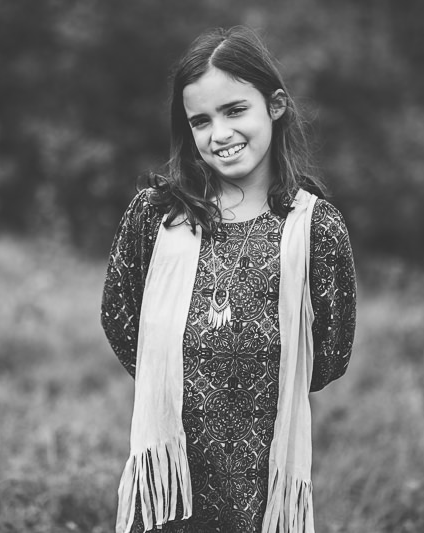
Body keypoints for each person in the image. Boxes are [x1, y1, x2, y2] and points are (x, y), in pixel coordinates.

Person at [101, 26, 356, 533]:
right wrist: (182, 377)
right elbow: (119, 316)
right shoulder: (157, 215)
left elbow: (329, 354)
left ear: (275, 105)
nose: (219, 134)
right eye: (201, 120)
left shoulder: (314, 228)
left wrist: (246, 392)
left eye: (235, 110)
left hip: (263, 471)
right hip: (173, 470)